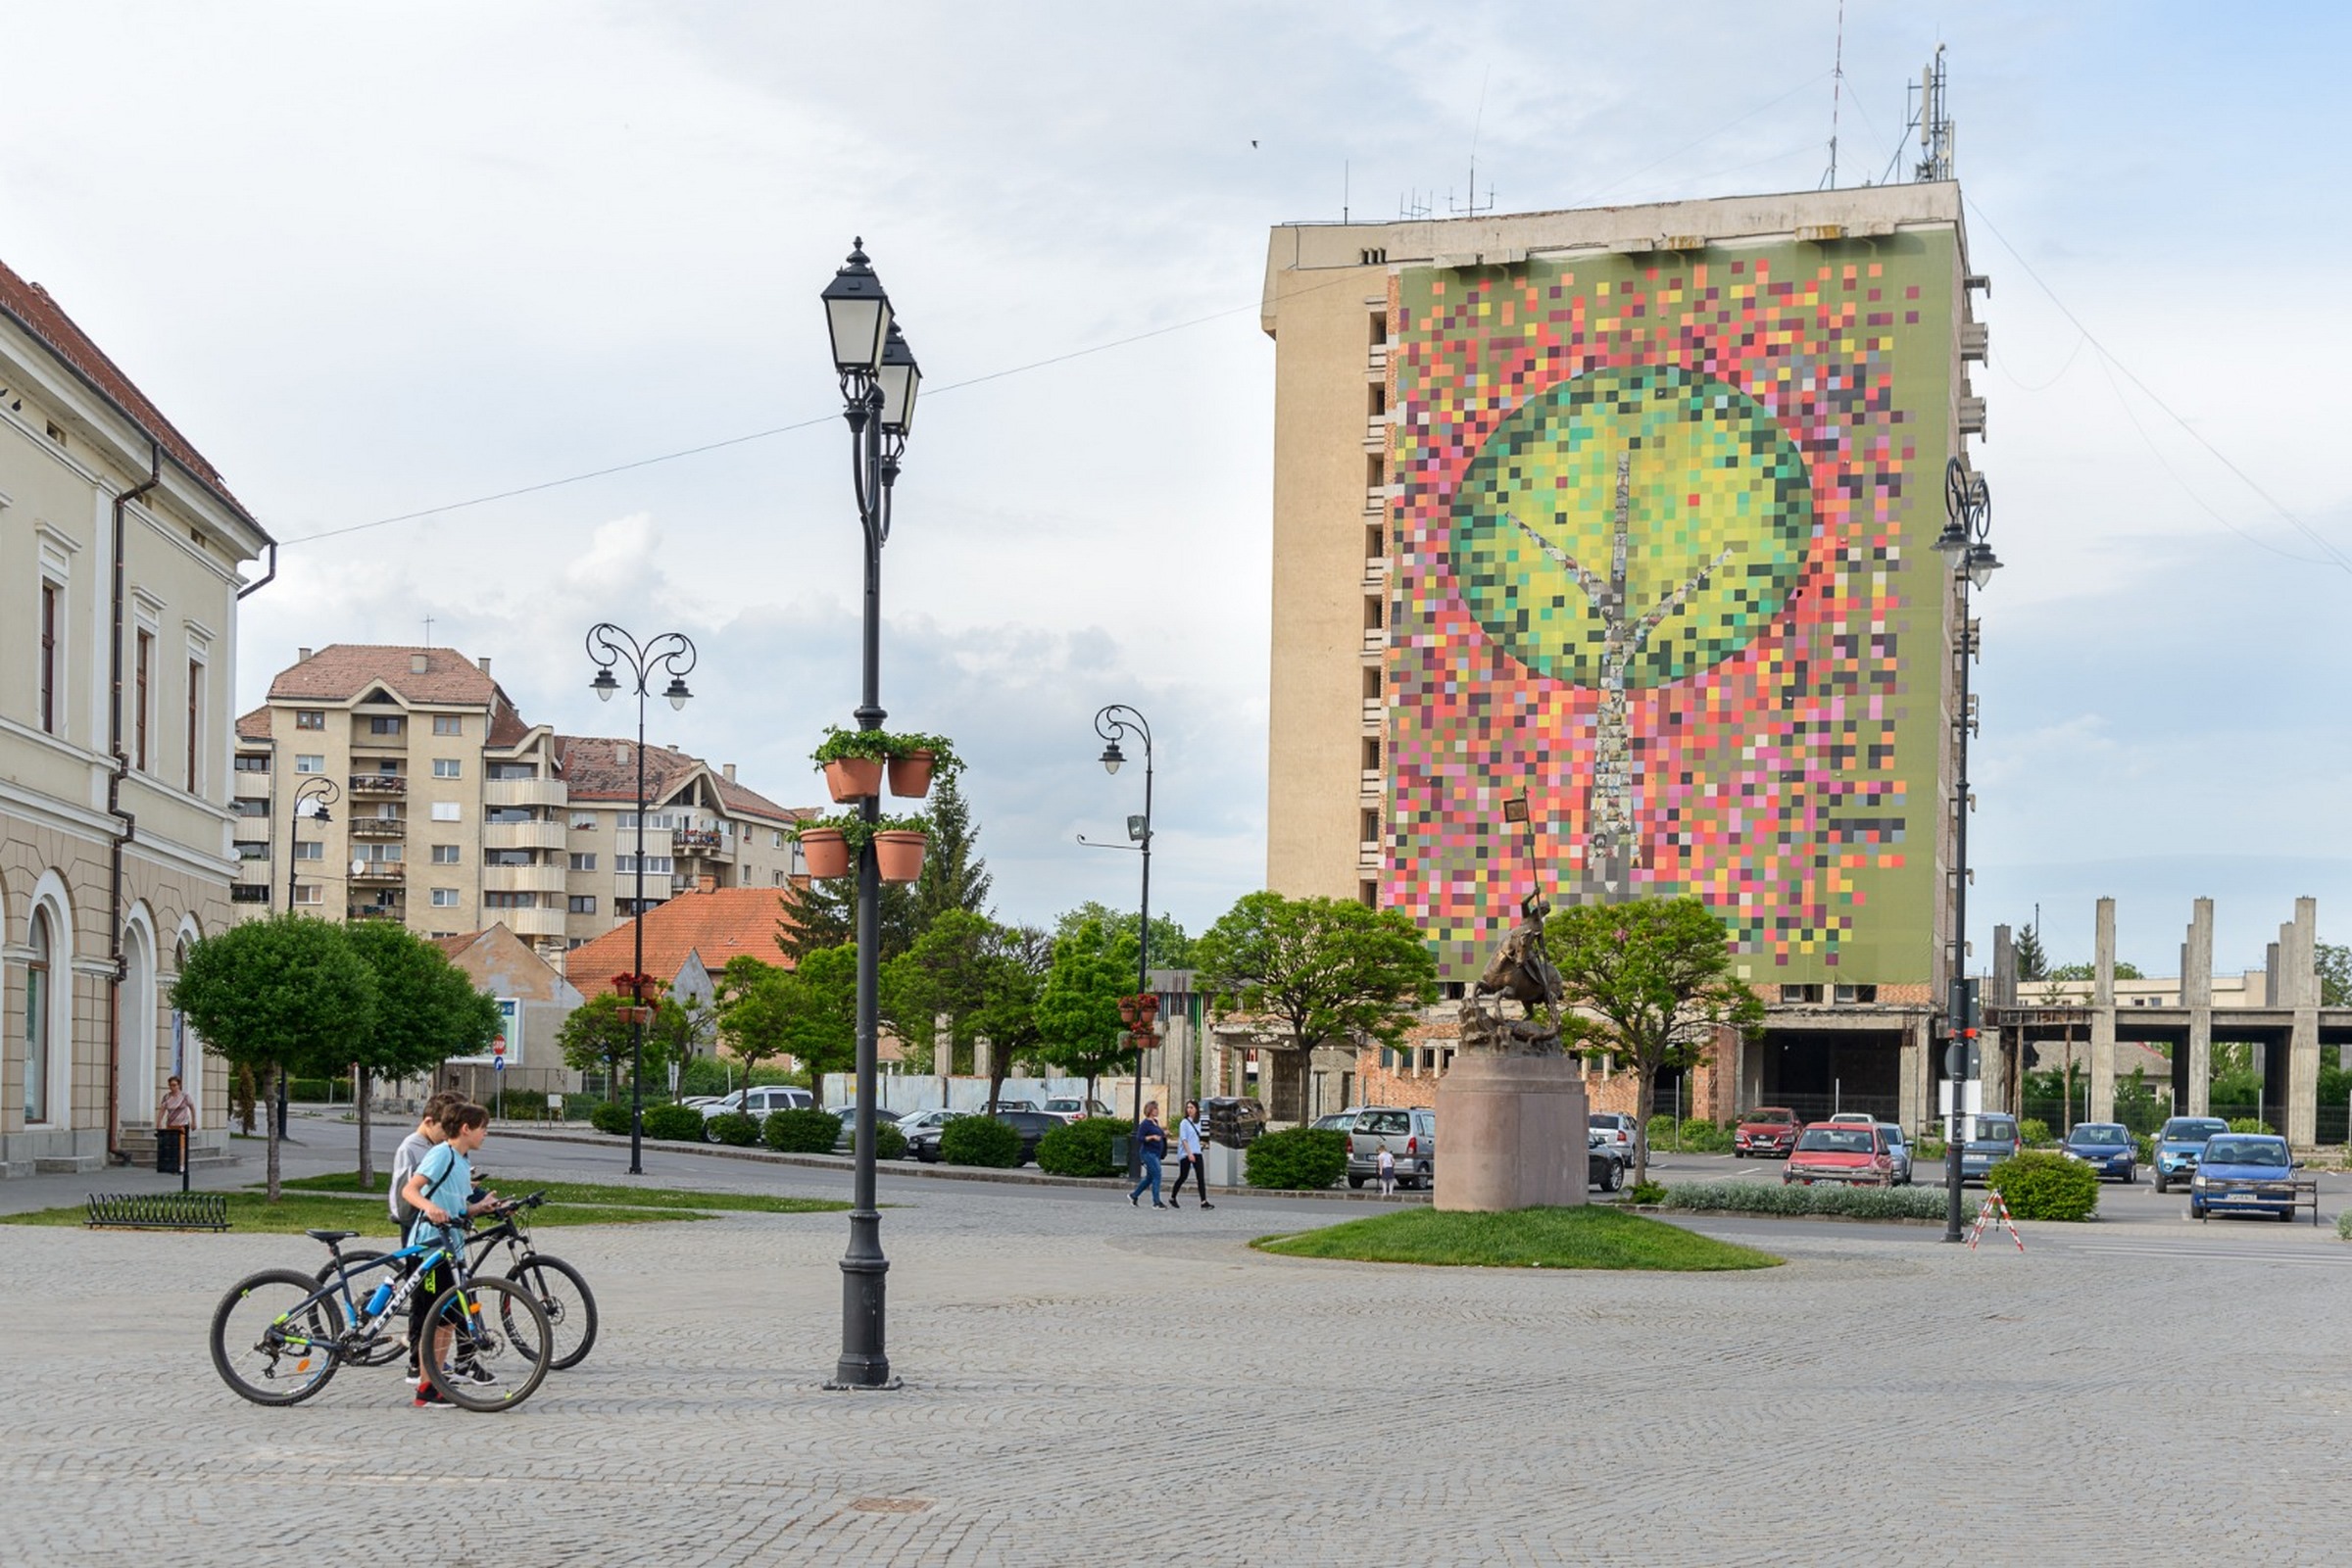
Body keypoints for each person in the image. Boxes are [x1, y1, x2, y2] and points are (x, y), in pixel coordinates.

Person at [401, 1102, 496, 1407]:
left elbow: (457, 1208)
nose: (486, 1134)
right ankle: (425, 1387)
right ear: (465, 1129)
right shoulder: (442, 1153)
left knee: (447, 1321)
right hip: (430, 1247)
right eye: (483, 1128)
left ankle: (435, 1382)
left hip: (450, 1248)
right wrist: (430, 1208)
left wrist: (480, 1208)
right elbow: (410, 1190)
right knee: (432, 1317)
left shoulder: (460, 1160)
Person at [1167, 1100, 1213, 1209]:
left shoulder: (1198, 1122)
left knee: (1200, 1177)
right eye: (1188, 1107)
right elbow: (1184, 1139)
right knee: (1183, 1176)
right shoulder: (1184, 1123)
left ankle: (1203, 1201)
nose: (1189, 1110)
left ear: (1196, 1109)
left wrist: (1202, 1144)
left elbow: (1199, 1136)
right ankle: (1173, 1197)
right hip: (1186, 1153)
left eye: (1192, 1107)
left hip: (1197, 1151)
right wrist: (1189, 1153)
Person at [1128, 1101, 1167, 1209]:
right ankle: (1156, 1202)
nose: (1157, 1110)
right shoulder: (1145, 1124)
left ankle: (1134, 1195)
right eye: (1155, 1109)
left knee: (1149, 1178)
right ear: (1150, 1110)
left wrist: (1164, 1134)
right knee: (1157, 1175)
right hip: (1148, 1153)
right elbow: (1139, 1137)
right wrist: (1152, 1137)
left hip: (1156, 1153)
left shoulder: (1155, 1122)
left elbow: (1159, 1134)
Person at [155, 1075, 195, 1175]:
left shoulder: (185, 1097)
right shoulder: (167, 1097)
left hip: (182, 1125)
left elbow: (192, 1108)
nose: (172, 1087)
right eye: (171, 1085)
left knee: (181, 1146)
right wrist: (159, 1122)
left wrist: (194, 1121)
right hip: (171, 1125)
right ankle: (172, 1165)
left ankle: (181, 1166)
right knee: (171, 1146)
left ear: (179, 1085)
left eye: (174, 1085)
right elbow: (162, 1110)